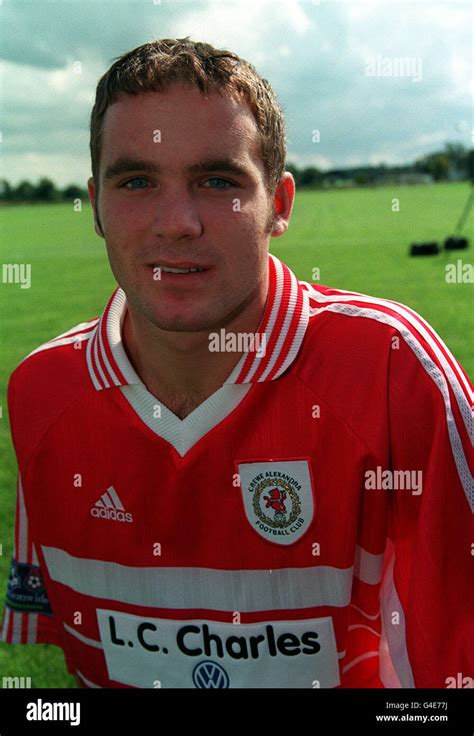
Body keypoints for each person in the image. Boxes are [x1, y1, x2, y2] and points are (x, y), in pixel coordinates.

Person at [0, 37, 472, 690]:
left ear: (278, 205)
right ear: (97, 206)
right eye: (136, 180)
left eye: (216, 180)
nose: (177, 222)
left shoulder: (396, 371)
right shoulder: (41, 392)